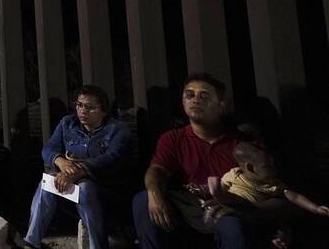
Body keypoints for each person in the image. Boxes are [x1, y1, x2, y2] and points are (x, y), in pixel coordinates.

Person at [132, 73, 259, 249]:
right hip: (188, 209)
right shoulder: (174, 138)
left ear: (222, 105)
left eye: (204, 96)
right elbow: (157, 170)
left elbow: (270, 189)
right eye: (189, 95)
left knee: (231, 223)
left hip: (226, 207)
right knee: (143, 200)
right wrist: (155, 196)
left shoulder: (242, 143)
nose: (195, 100)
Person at [22, 85, 132, 249]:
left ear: (103, 111)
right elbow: (48, 149)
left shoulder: (117, 129)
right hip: (69, 184)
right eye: (79, 105)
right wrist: (61, 162)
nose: (82, 111)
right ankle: (31, 242)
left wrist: (78, 171)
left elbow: (111, 158)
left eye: (89, 107)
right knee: (47, 183)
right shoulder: (68, 123)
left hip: (104, 187)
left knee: (86, 187)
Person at [199, 142, 329, 224]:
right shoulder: (234, 174)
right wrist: (201, 189)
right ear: (250, 168)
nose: (274, 168)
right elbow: (223, 184)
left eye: (273, 163)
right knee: (229, 199)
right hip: (233, 201)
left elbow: (295, 197)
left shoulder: (273, 184)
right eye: (268, 166)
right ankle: (217, 193)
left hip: (254, 211)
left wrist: (315, 208)